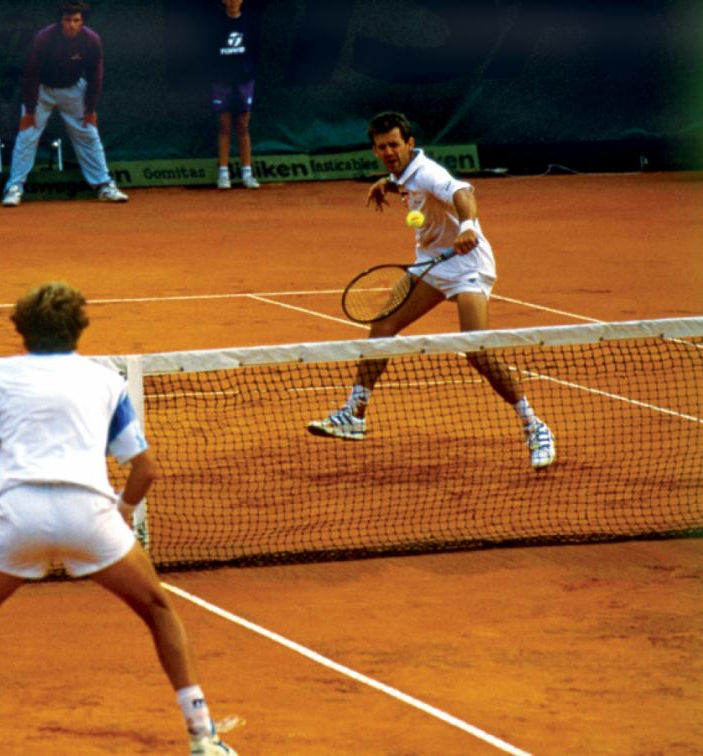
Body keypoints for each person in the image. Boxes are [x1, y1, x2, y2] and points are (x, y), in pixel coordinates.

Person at [0, 282, 236, 756]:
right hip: (91, 518)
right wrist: (120, 516)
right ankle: (203, 737)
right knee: (158, 611)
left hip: (17, 520)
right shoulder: (106, 381)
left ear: (22, 329)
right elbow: (144, 470)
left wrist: (4, 499)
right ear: (78, 329)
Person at [308, 111, 556, 470]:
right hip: (431, 266)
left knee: (476, 351)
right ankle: (354, 414)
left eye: (395, 144)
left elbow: (463, 191)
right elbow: (408, 183)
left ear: (410, 144)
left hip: (468, 265)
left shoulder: (428, 172)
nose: (390, 151)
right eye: (382, 147)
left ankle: (535, 426)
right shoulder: (406, 174)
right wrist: (387, 183)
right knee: (381, 328)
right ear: (375, 150)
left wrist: (468, 225)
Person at [1, 1, 129, 207]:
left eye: (76, 20)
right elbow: (31, 74)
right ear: (60, 21)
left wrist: (91, 109)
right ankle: (14, 188)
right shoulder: (44, 38)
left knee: (89, 134)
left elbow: (96, 76)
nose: (71, 24)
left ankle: (104, 186)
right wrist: (30, 111)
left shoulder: (91, 41)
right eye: (67, 20)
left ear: (82, 22)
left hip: (73, 90)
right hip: (42, 90)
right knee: (27, 136)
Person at [212, 0, 260, 190]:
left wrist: (248, 72)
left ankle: (247, 173)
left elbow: (255, 51)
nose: (233, 2)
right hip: (222, 82)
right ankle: (223, 174)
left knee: (243, 126)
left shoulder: (249, 23)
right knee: (224, 126)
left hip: (244, 82)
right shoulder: (216, 24)